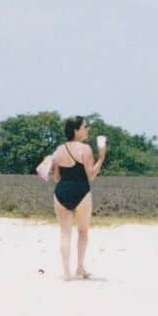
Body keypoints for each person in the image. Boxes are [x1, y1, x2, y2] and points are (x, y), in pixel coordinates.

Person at [50, 116, 108, 281]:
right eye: (85, 126)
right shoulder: (86, 149)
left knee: (64, 233)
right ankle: (80, 267)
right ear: (76, 130)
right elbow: (91, 175)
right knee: (82, 231)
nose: (87, 129)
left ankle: (66, 272)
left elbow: (56, 177)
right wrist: (102, 157)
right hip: (81, 191)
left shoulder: (59, 149)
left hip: (61, 191)